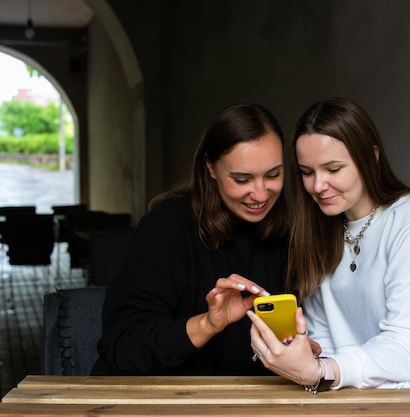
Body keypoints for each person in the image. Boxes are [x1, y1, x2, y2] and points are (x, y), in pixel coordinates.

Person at [248, 97, 410, 391]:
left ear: (371, 157)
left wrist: (322, 371)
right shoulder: (319, 232)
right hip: (353, 402)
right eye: (307, 172)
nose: (318, 186)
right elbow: (325, 339)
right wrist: (300, 354)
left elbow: (409, 345)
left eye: (333, 169)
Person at [91, 103, 289, 376]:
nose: (260, 194)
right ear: (210, 166)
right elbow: (125, 346)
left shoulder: (288, 228)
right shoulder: (166, 226)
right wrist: (208, 325)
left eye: (273, 175)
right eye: (242, 179)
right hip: (158, 400)